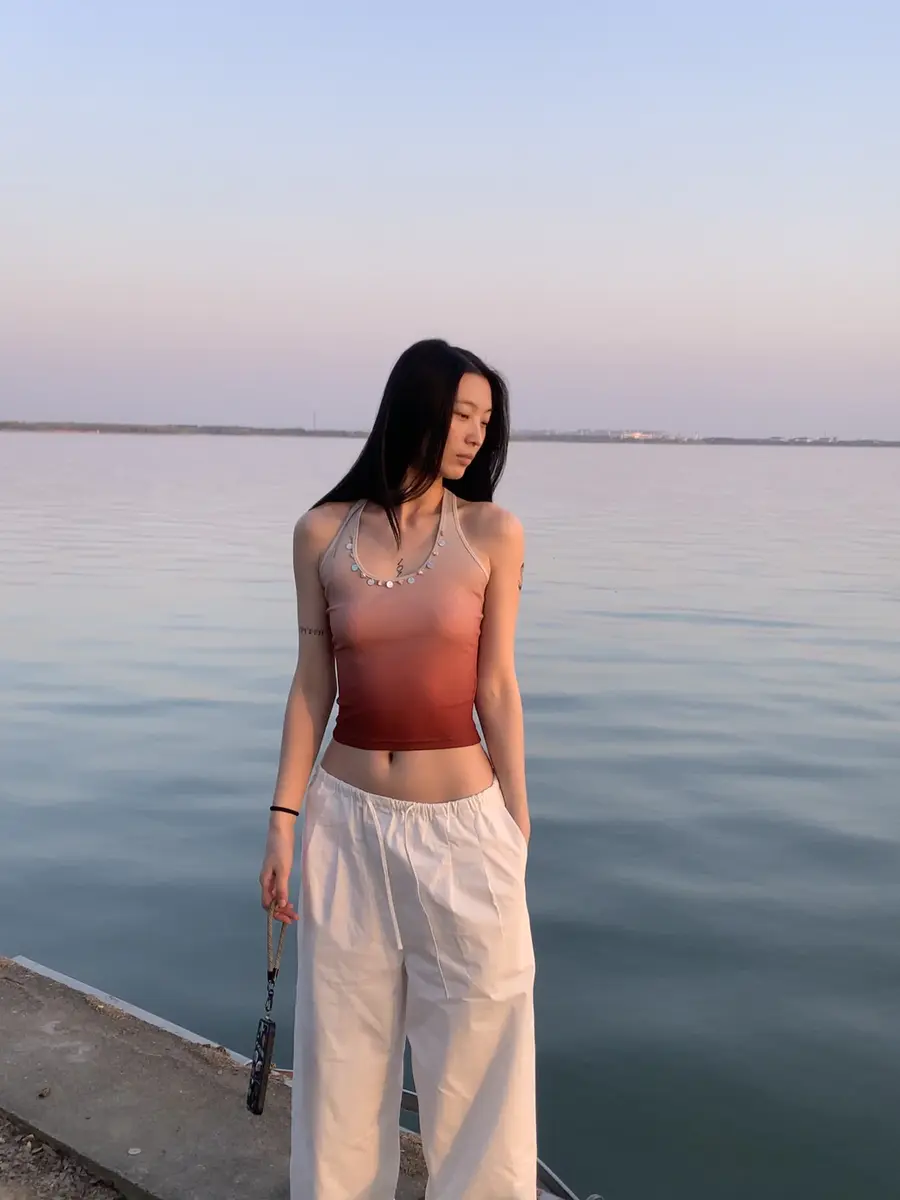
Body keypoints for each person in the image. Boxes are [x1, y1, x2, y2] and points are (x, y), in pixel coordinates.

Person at [259, 338, 536, 1199]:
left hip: (464, 830)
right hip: (344, 823)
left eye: (485, 421)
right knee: (340, 1057)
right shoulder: (321, 533)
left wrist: (518, 826)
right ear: (415, 407)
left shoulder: (492, 533)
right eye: (461, 414)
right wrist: (282, 820)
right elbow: (312, 683)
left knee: (481, 1054)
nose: (474, 434)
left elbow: (497, 687)